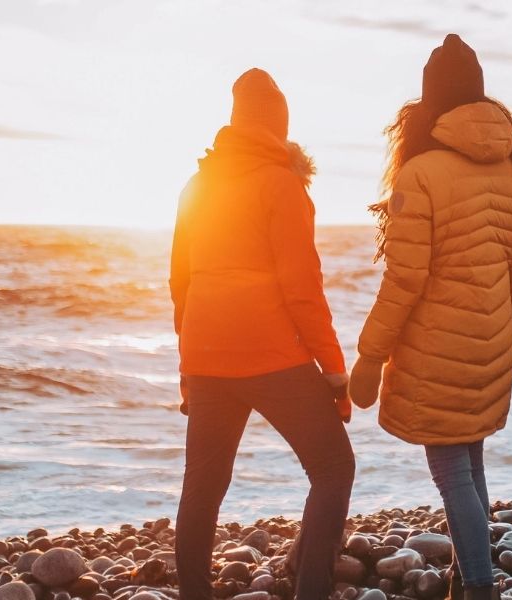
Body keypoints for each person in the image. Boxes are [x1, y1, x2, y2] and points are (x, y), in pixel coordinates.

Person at [347, 34, 512, 600]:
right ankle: (466, 577)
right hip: (491, 340)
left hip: (437, 346)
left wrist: (369, 355)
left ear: (431, 102)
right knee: (471, 459)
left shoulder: (422, 172)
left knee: (452, 471)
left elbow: (406, 278)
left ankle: (480, 586)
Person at [168, 68, 355, 600]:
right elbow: (302, 288)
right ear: (279, 126)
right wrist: (333, 367)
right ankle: (312, 590)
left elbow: (179, 284)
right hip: (271, 355)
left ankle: (193, 594)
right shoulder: (281, 182)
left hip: (205, 356)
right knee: (334, 466)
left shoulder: (196, 185)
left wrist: (189, 366)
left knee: (202, 486)